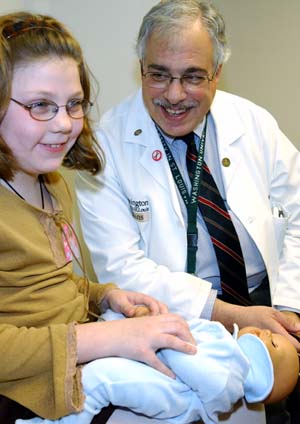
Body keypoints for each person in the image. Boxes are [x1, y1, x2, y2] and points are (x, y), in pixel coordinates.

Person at [75, 0, 300, 423]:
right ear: (141, 66)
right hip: (174, 322)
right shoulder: (105, 148)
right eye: (158, 74)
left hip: (267, 305)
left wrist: (287, 310)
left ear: (217, 73)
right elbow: (123, 268)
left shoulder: (253, 123)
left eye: (193, 77)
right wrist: (227, 315)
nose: (174, 95)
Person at [0, 10, 206, 424]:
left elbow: (48, 284)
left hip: (73, 363)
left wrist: (103, 295)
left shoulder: (52, 183)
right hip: (23, 393)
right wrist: (108, 337)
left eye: (74, 104)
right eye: (40, 105)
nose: (65, 124)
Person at [16, 308, 300, 424]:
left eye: (272, 343)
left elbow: (187, 358)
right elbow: (190, 328)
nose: (266, 332)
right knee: (112, 333)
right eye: (273, 334)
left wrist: (160, 337)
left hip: (168, 389)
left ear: (262, 377)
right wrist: (155, 321)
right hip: (164, 364)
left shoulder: (229, 379)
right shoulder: (227, 346)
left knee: (101, 380)